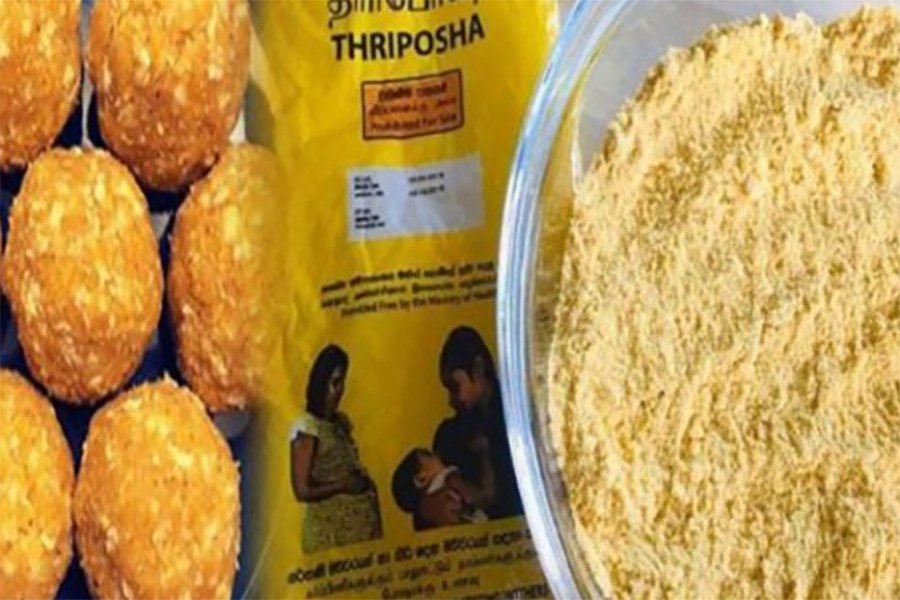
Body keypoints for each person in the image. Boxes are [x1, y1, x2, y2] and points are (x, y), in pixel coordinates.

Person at [289, 344, 383, 553]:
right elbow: (302, 490)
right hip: (330, 538)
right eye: (335, 383)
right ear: (321, 384)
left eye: (342, 382)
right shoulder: (308, 427)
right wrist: (343, 485)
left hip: (360, 535)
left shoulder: (339, 422)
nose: (340, 390)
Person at [433, 326, 523, 520]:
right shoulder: (450, 436)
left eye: (455, 387)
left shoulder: (519, 419)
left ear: (478, 369)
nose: (451, 400)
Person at [391, 447, 489, 530]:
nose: (437, 455)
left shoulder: (425, 512)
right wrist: (483, 453)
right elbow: (480, 497)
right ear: (421, 479)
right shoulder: (449, 477)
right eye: (428, 455)